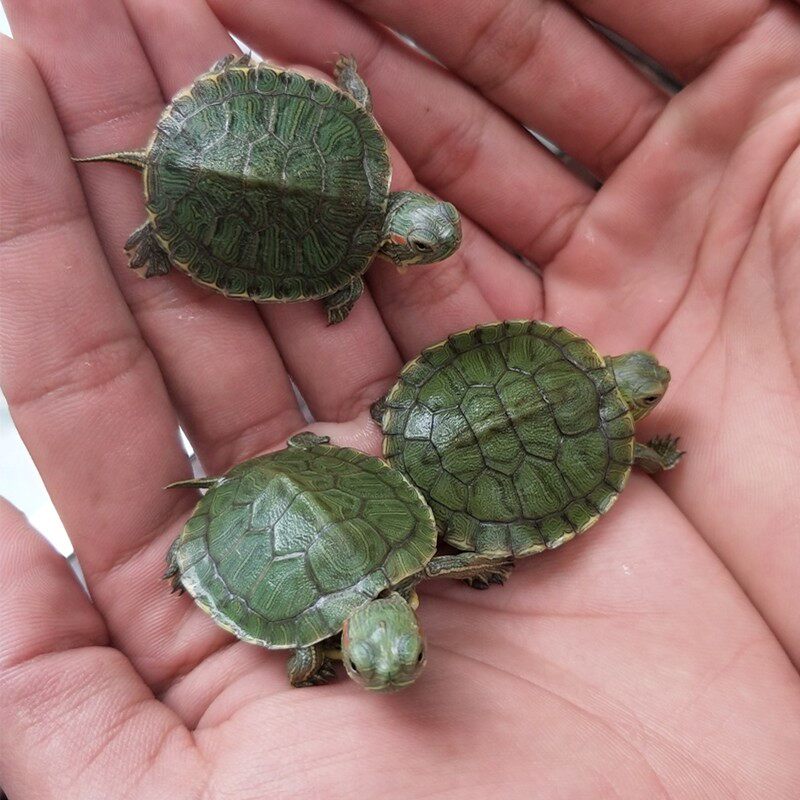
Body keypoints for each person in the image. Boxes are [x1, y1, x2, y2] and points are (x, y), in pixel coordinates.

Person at [1, 0, 798, 796]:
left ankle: (173, 225)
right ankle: (167, 228)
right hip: (382, 476)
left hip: (389, 471)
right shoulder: (428, 532)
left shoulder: (439, 513)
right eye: (423, 241)